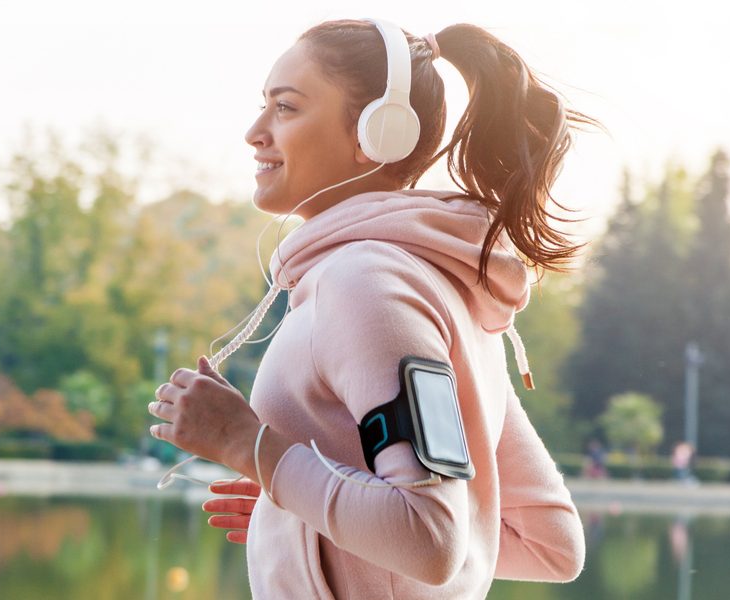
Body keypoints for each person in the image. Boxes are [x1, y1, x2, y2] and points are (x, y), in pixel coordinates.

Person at [147, 18, 600, 598]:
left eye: (285, 108)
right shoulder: (443, 290)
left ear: (377, 134)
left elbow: (430, 539)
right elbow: (549, 542)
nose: (255, 132)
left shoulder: (365, 284)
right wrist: (309, 509)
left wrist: (248, 445)